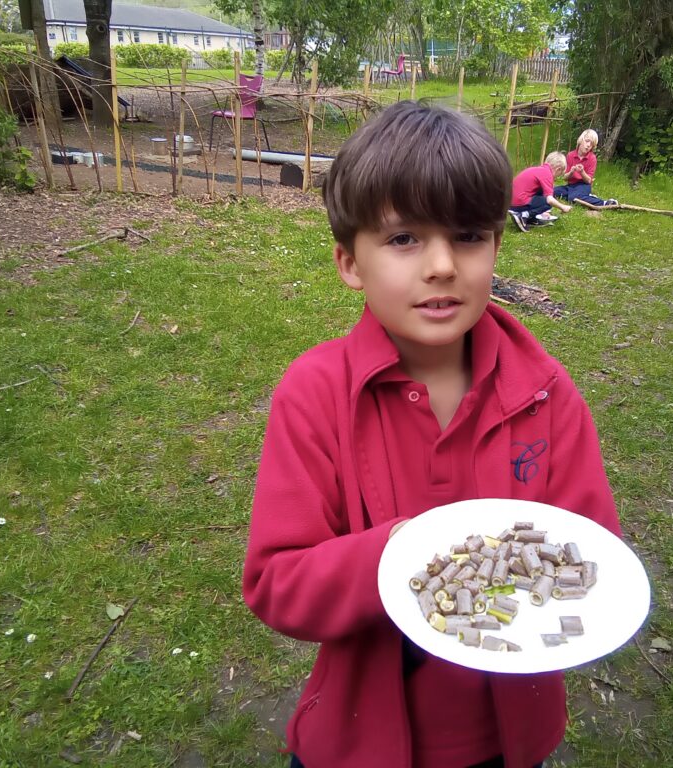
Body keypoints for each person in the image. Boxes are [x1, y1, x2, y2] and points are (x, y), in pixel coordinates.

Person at [242, 101, 620, 768]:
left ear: (498, 245)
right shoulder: (314, 396)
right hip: (356, 743)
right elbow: (277, 583)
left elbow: (593, 557)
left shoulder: (546, 393)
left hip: (504, 743)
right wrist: (399, 554)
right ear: (349, 262)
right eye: (403, 239)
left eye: (470, 235)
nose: (442, 265)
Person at [508, 152, 572, 233]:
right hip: (519, 203)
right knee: (548, 203)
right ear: (558, 169)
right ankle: (522, 216)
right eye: (559, 174)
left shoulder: (537, 170)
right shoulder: (547, 174)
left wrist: (544, 211)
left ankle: (530, 219)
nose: (556, 178)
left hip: (509, 201)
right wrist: (563, 207)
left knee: (542, 192)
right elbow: (549, 200)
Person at [553, 129, 600, 205]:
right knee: (553, 191)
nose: (588, 145)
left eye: (591, 144)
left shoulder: (592, 158)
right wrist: (571, 172)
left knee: (573, 198)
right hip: (571, 186)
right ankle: (585, 196)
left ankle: (604, 202)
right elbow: (565, 178)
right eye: (587, 141)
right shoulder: (570, 155)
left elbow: (588, 181)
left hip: (584, 185)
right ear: (581, 140)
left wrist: (582, 172)